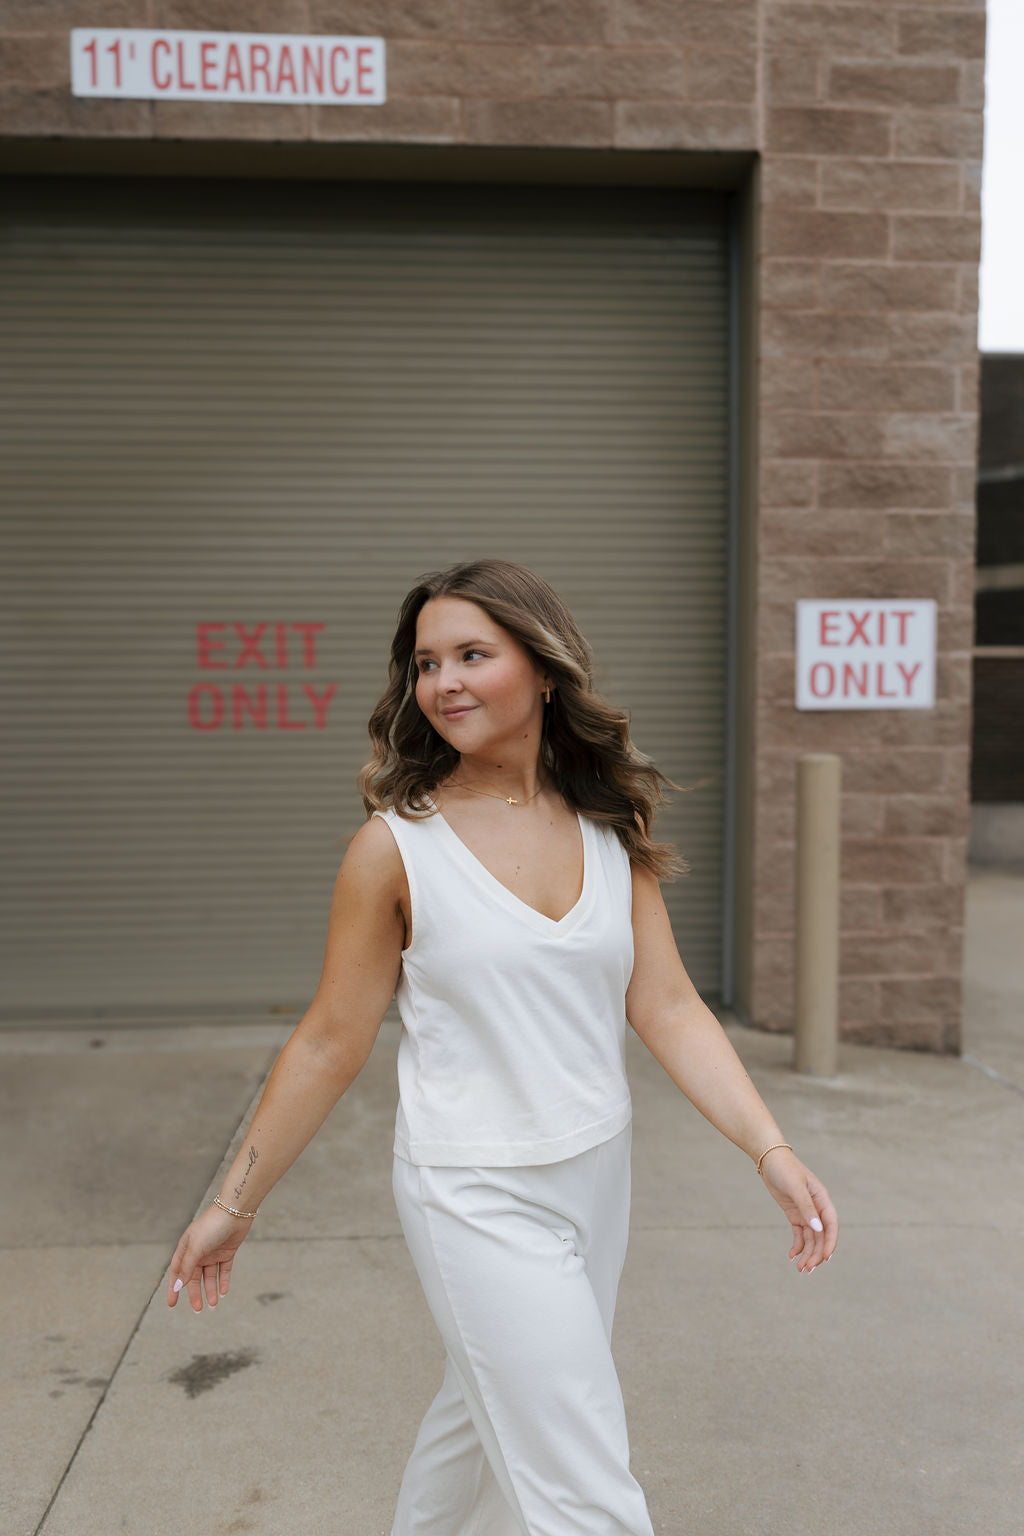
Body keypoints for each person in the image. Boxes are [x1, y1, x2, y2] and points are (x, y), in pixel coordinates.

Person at [166, 557, 839, 1535]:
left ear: (542, 667)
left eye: (471, 655)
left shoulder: (607, 824)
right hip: (472, 1187)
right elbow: (328, 1043)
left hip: (595, 1171)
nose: (442, 683)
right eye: (425, 664)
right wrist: (234, 1202)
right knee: (583, 1482)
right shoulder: (395, 849)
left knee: (481, 1423)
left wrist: (768, 1147)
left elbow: (667, 1005)